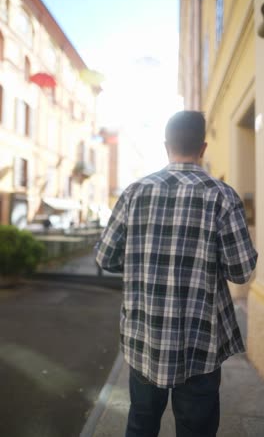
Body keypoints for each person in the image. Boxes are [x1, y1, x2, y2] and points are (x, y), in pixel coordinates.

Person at [95, 110, 258, 437]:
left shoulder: (134, 193)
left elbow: (105, 257)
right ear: (204, 147)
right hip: (200, 342)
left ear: (166, 145)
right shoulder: (222, 195)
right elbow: (241, 272)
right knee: (196, 429)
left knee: (141, 423)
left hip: (145, 338)